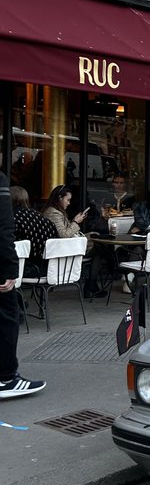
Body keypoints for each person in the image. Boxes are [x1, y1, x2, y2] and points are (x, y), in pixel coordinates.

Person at [0, 170, 45, 399]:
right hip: (34, 269)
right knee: (7, 318)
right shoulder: (0, 183)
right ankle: (6, 378)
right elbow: (3, 229)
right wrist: (9, 269)